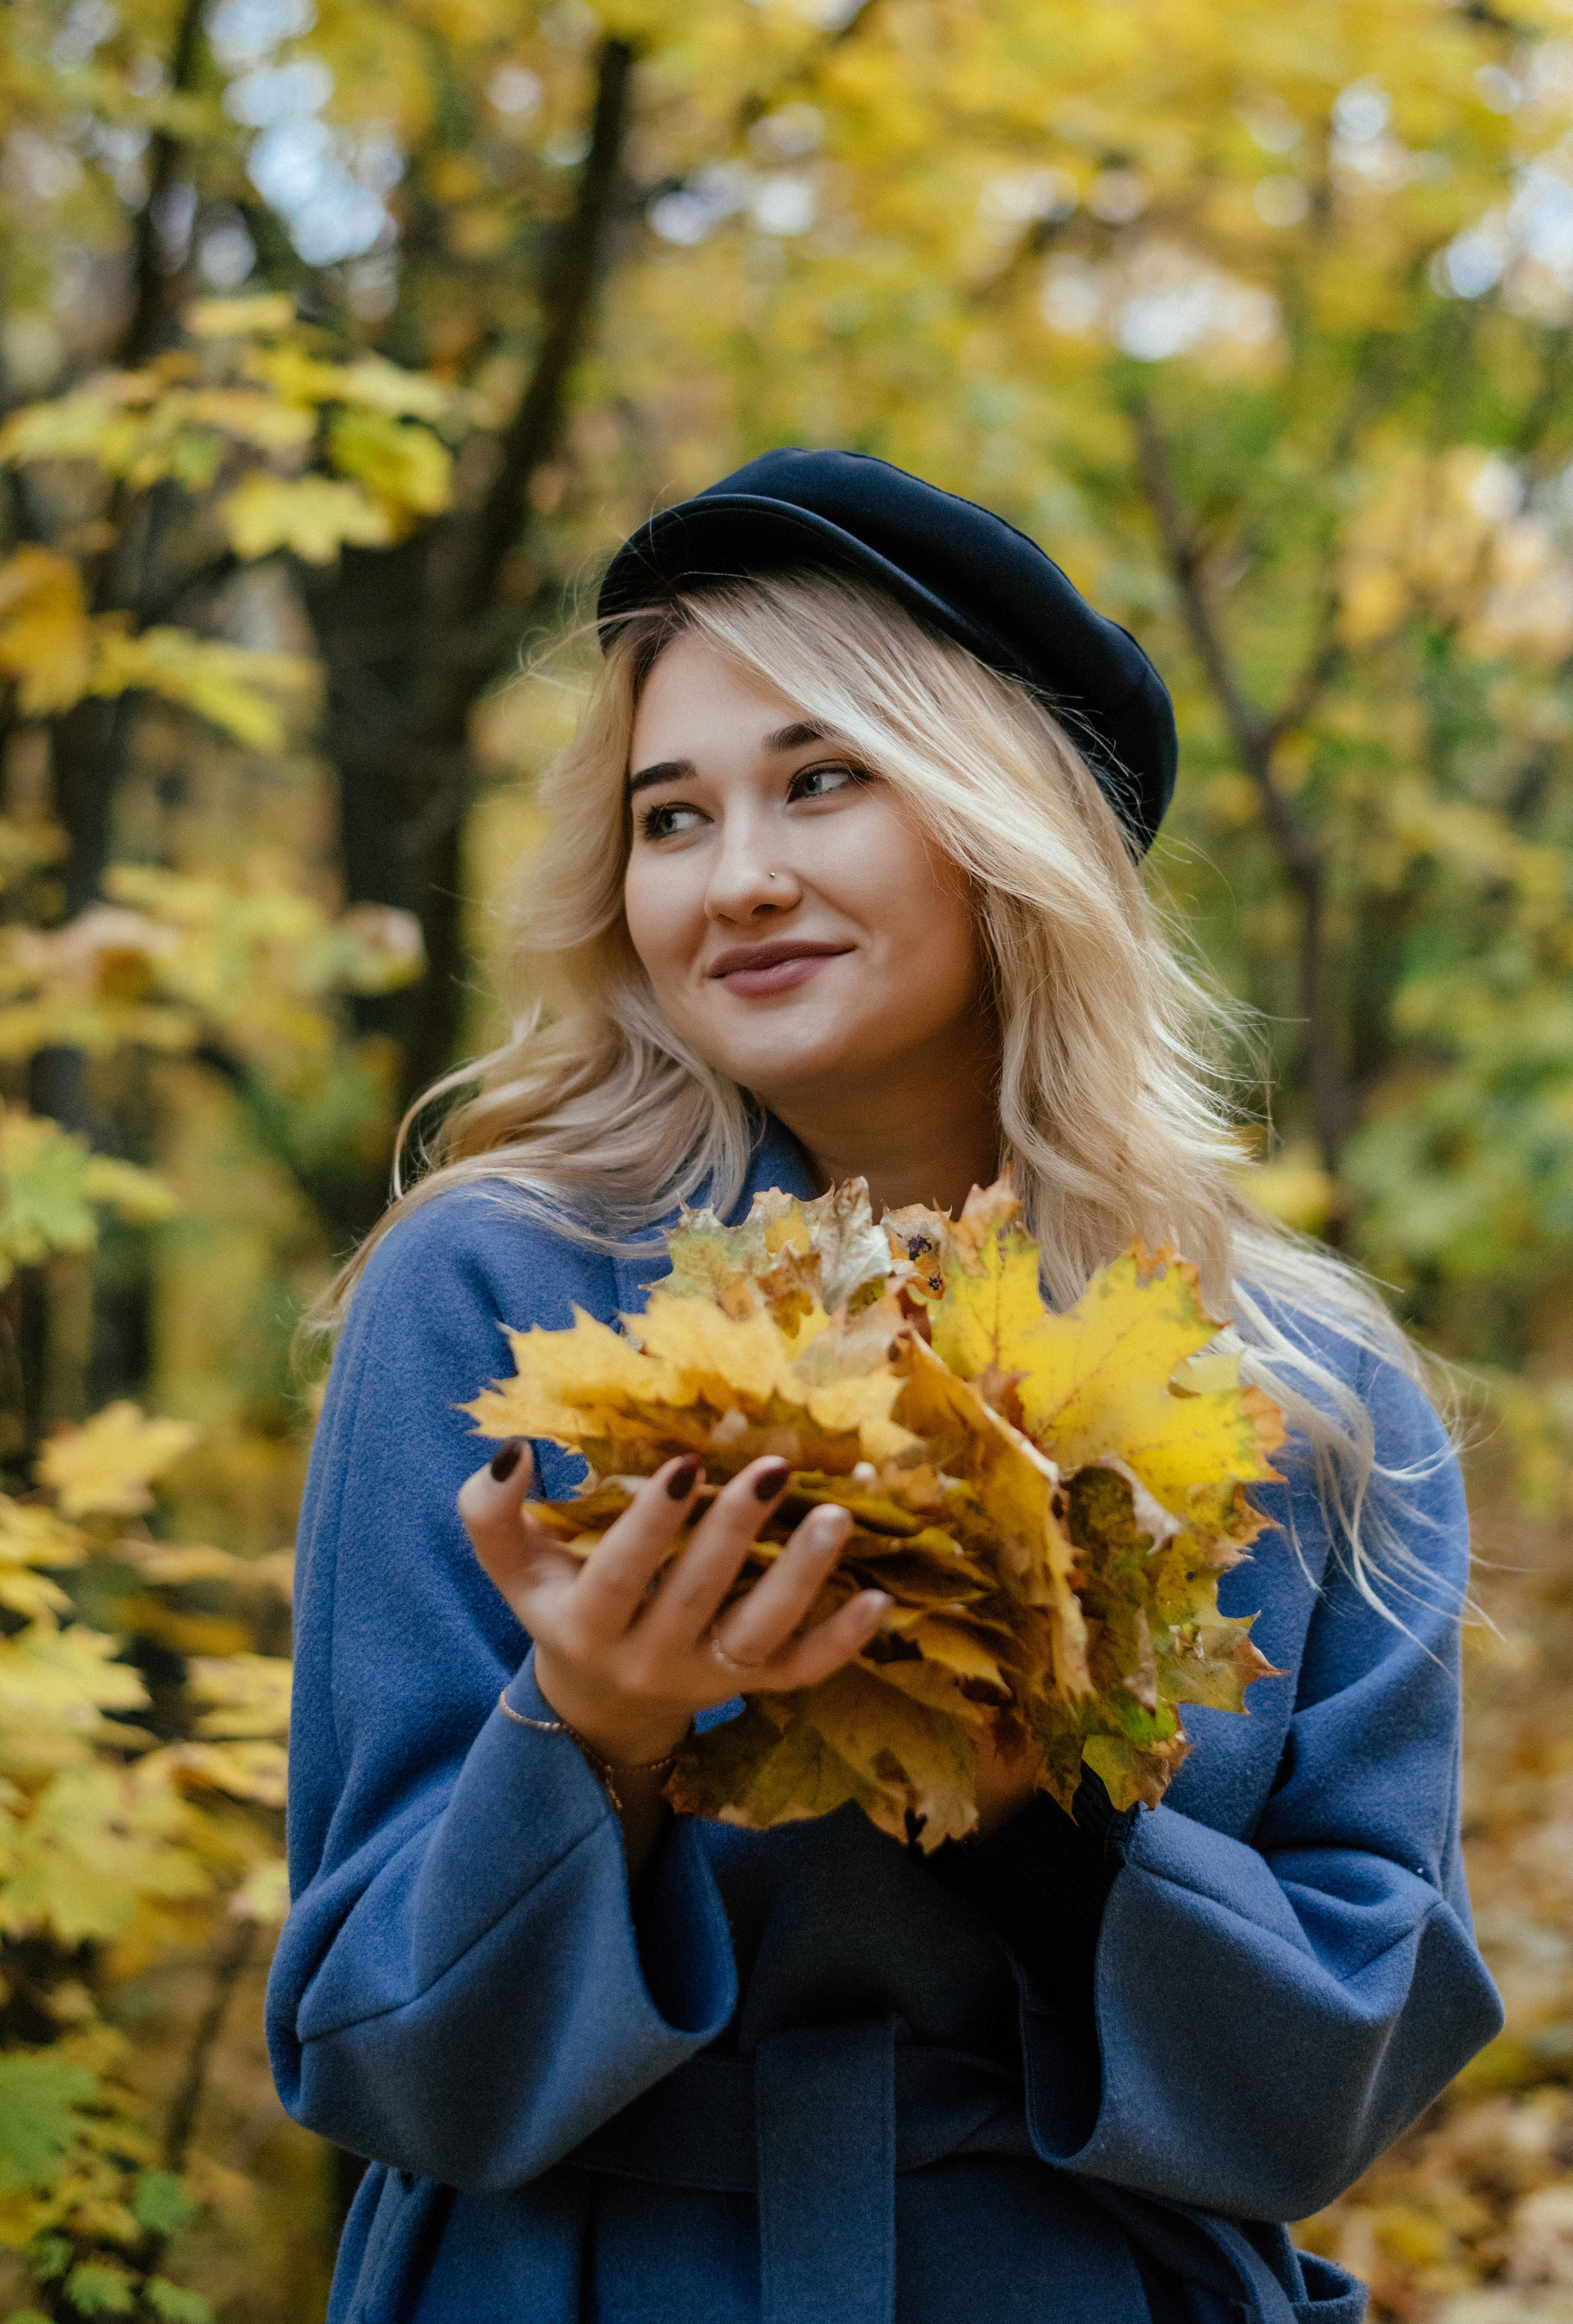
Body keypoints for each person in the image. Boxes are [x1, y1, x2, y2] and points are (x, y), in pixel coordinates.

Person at [267, 449, 1503, 2324]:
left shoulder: (1305, 1387)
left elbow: (1321, 2092)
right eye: (670, 817)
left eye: (823, 779)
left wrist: (1035, 1811)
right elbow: (376, 2061)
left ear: (1007, 821)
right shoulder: (496, 1293)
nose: (739, 876)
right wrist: (591, 1736)